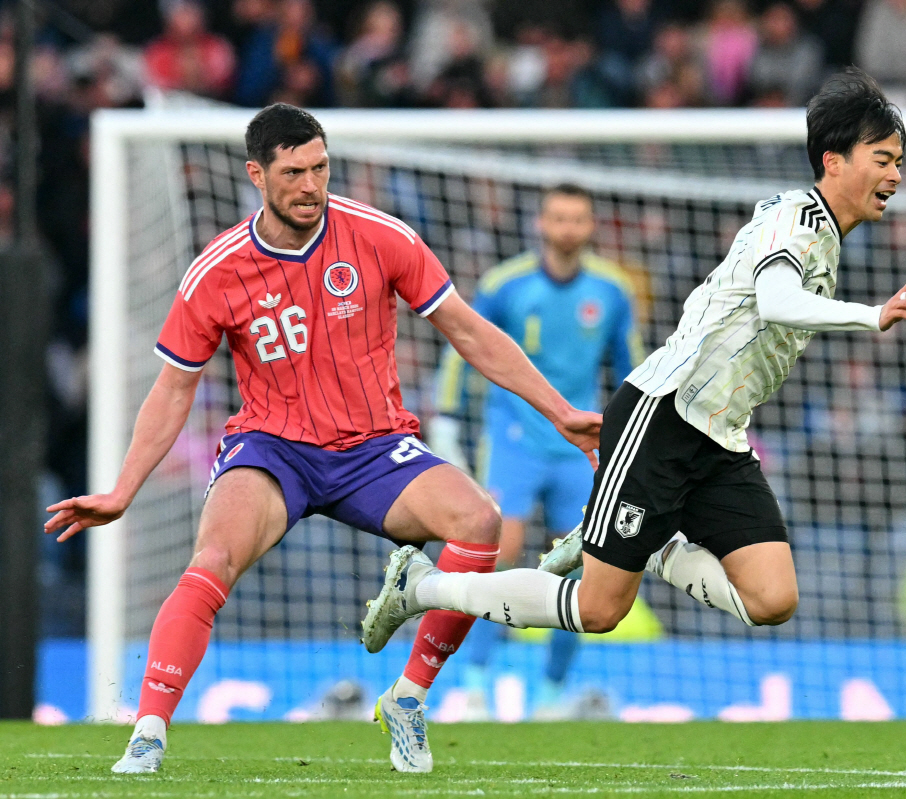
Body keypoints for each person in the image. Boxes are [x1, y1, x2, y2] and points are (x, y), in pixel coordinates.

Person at [43, 103, 600, 775]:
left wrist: (559, 411)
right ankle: (149, 731)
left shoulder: (378, 235)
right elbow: (173, 389)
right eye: (294, 172)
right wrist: (123, 489)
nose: (311, 185)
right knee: (212, 557)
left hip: (375, 448)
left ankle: (408, 697)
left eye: (320, 168)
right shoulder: (217, 269)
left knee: (478, 521)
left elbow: (468, 328)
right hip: (274, 450)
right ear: (257, 174)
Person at [359, 70, 906, 671]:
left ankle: (655, 544)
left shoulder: (825, 235)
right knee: (601, 610)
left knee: (773, 598)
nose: (895, 174)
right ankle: (422, 589)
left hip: (718, 436)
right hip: (663, 418)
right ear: (833, 161)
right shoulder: (798, 222)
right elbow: (776, 299)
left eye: (899, 161)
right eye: (883, 158)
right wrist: (874, 315)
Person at [430, 184, 643, 720]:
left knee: (583, 567)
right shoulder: (505, 285)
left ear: (591, 226)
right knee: (497, 556)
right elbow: (463, 347)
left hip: (583, 449)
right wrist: (447, 416)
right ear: (541, 225)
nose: (567, 227)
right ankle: (475, 687)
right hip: (513, 441)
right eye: (558, 217)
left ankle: (551, 695)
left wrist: (641, 430)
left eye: (578, 218)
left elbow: (631, 369)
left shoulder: (613, 291)